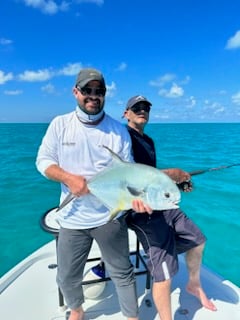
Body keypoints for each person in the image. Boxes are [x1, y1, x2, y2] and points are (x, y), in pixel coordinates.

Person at [36, 69, 151, 320]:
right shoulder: (60, 124)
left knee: (122, 272)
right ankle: (76, 309)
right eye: (87, 90)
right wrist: (68, 178)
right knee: (66, 276)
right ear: (75, 92)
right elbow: (43, 161)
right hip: (72, 217)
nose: (93, 96)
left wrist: (138, 198)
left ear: (104, 95)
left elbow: (126, 172)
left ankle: (132, 316)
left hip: (109, 217)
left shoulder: (117, 131)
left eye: (98, 91)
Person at [123, 95, 217, 320]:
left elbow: (154, 181)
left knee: (198, 240)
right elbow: (130, 176)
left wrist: (177, 182)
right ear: (126, 113)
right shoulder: (122, 137)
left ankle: (193, 284)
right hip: (139, 211)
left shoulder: (150, 141)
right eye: (137, 107)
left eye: (146, 107)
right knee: (165, 274)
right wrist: (171, 173)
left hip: (160, 205)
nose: (142, 110)